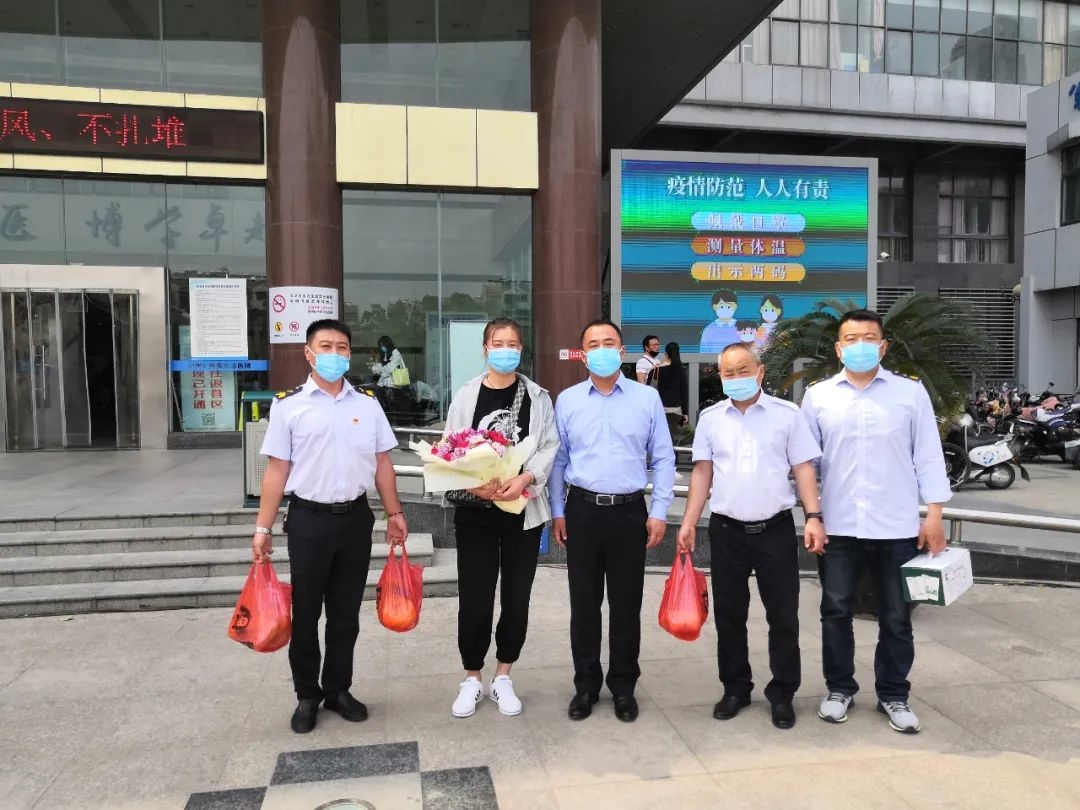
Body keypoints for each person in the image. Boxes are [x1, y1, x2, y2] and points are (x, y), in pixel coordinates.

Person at [253, 318, 409, 734]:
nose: (335, 354)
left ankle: (338, 689)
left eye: (342, 347)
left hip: (355, 519)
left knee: (345, 614)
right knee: (305, 613)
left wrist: (395, 514)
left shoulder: (367, 404)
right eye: (326, 347)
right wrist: (263, 529)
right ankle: (307, 695)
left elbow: (382, 463)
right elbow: (277, 471)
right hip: (308, 520)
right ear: (309, 353)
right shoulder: (288, 406)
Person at [800, 309, 951, 735]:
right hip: (839, 526)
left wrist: (934, 514)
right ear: (838, 348)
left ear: (883, 346)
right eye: (851, 339)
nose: (860, 345)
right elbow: (806, 464)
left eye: (869, 338)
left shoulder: (910, 394)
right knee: (835, 611)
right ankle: (839, 689)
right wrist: (812, 516)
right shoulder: (818, 397)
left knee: (897, 617)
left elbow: (928, 456)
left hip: (897, 526)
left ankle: (894, 694)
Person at [677, 343, 826, 730]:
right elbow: (702, 473)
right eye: (728, 372)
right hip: (727, 530)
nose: (736, 377)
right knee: (729, 616)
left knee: (783, 617)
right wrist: (689, 522)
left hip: (775, 530)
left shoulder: (787, 415)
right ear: (719, 375)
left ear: (759, 372)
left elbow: (803, 468)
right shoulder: (711, 418)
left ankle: (783, 693)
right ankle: (735, 688)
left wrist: (813, 516)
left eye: (743, 370)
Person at [549, 319, 676, 723]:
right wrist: (557, 510)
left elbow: (664, 458)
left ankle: (623, 686)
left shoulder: (646, 399)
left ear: (621, 352)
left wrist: (659, 511)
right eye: (593, 344)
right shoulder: (568, 401)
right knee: (584, 605)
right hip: (582, 511)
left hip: (629, 512)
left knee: (626, 605)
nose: (601, 350)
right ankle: (586, 686)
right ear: (583, 354)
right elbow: (558, 461)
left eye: (609, 343)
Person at [442, 317, 559, 719]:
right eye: (498, 343)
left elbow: (548, 446)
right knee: (474, 597)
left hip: (522, 511)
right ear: (485, 348)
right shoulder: (466, 395)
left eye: (512, 344)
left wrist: (526, 478)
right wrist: (473, 484)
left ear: (521, 350)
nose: (505, 350)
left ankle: (503, 675)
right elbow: (450, 446)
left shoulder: (538, 397)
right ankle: (472, 676)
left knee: (516, 596)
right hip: (475, 512)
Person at [655, 341, 689, 440]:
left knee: (660, 438)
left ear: (666, 354)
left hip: (660, 410)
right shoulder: (681, 371)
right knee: (674, 438)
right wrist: (685, 413)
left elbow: (650, 390)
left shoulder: (657, 370)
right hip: (677, 410)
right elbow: (684, 393)